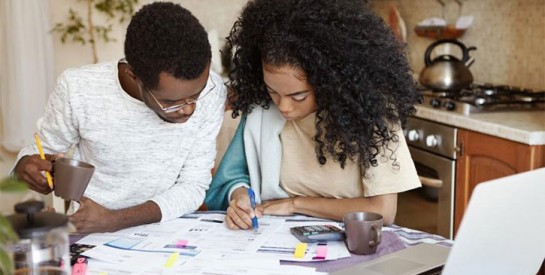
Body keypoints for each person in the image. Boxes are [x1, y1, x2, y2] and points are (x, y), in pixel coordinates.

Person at [204, 0, 421, 230]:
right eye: (273, 91)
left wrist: (296, 204)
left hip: (352, 237)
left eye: (298, 96)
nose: (284, 106)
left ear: (328, 81)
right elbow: (233, 178)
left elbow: (383, 211)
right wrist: (240, 197)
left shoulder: (371, 114)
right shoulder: (261, 110)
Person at [14, 2, 226, 233]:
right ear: (133, 75)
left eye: (197, 95)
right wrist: (25, 166)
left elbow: (193, 186)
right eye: (170, 102)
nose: (188, 109)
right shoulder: (79, 89)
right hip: (92, 235)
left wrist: (116, 219)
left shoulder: (213, 91)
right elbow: (38, 153)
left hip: (171, 232)